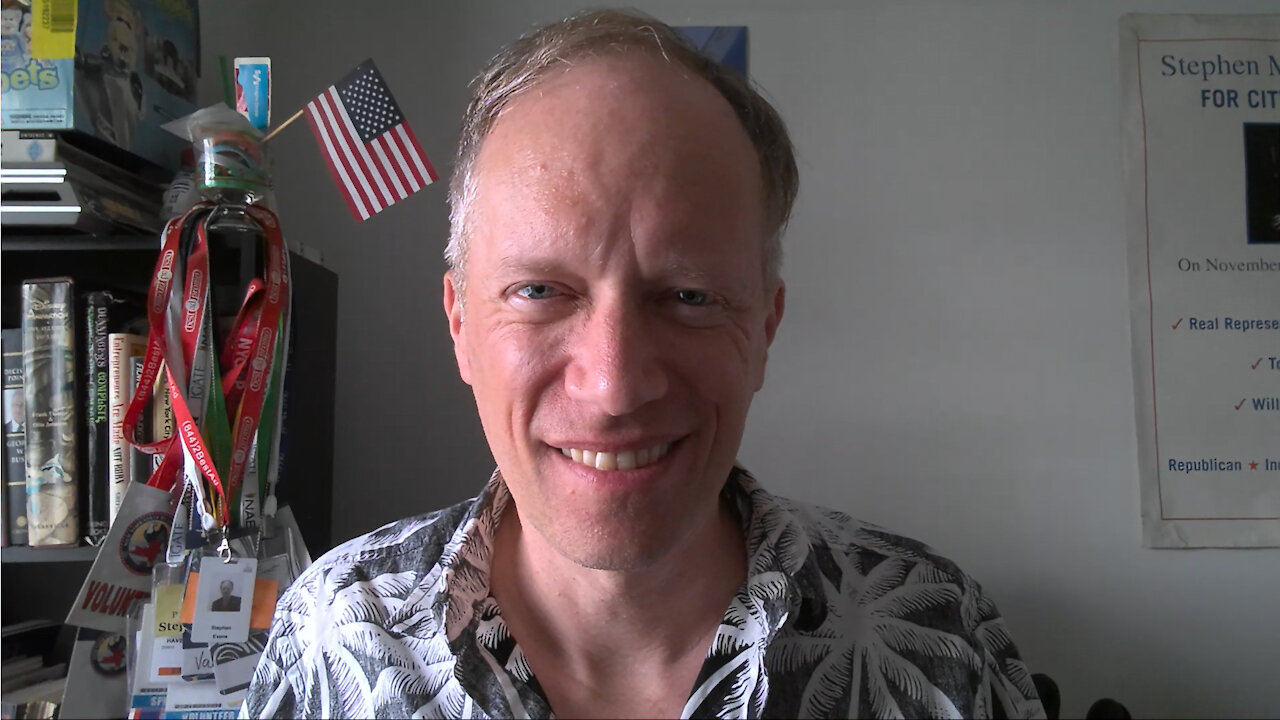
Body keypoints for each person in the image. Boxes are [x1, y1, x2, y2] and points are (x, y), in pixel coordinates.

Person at [243, 9, 1044, 719]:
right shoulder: (330, 640)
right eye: (540, 291)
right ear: (460, 324)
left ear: (765, 327)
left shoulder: (941, 640)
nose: (614, 385)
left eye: (690, 296)